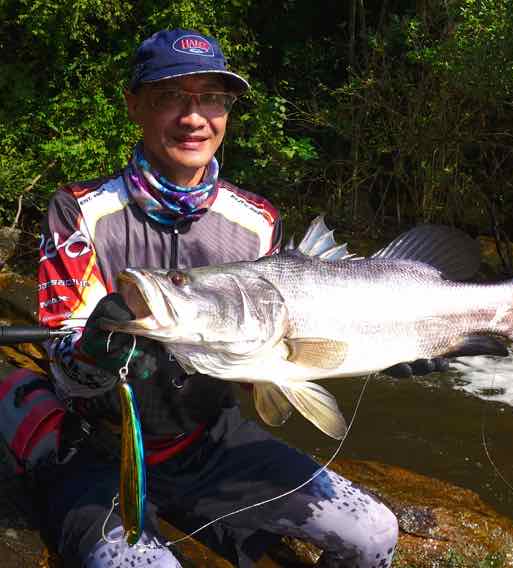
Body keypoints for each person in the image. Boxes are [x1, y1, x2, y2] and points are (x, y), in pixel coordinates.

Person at [36, 29, 406, 568]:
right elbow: (65, 363)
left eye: (212, 98)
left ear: (227, 112)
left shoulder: (258, 221)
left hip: (210, 442)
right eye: (170, 97)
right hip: (99, 450)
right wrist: (94, 348)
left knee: (373, 532)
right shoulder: (78, 210)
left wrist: (385, 345)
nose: (194, 117)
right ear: (134, 105)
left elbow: (271, 364)